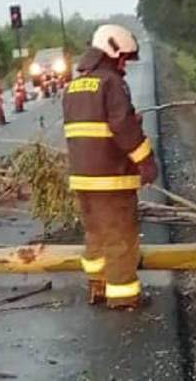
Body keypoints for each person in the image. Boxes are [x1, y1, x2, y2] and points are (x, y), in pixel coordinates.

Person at [62, 24, 158, 310]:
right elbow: (122, 127)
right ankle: (124, 296)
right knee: (120, 238)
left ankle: (98, 286)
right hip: (111, 178)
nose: (124, 66)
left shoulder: (73, 86)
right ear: (112, 51)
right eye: (123, 59)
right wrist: (146, 162)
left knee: (95, 236)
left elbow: (91, 130)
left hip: (83, 180)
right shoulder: (112, 83)